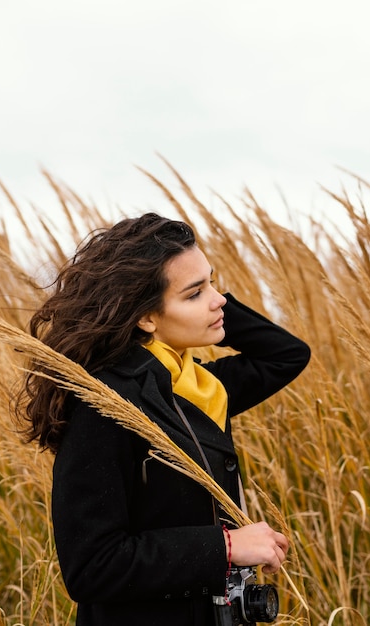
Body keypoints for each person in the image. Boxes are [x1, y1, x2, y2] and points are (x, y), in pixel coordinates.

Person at [19, 213, 310, 626]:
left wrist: (207, 304)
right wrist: (225, 548)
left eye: (213, 281)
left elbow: (286, 356)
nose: (218, 299)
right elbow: (91, 566)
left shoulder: (198, 385)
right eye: (194, 294)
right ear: (146, 317)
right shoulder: (106, 404)